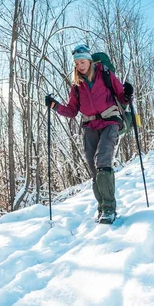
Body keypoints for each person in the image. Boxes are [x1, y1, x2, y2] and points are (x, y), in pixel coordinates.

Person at [45, 44, 133, 224]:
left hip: (110, 122)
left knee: (103, 160)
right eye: (76, 63)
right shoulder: (77, 85)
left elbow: (122, 96)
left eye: (82, 62)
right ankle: (102, 208)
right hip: (89, 126)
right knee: (94, 168)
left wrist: (128, 93)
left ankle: (109, 208)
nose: (79, 66)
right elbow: (71, 111)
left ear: (90, 60)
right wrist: (54, 106)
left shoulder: (105, 74)